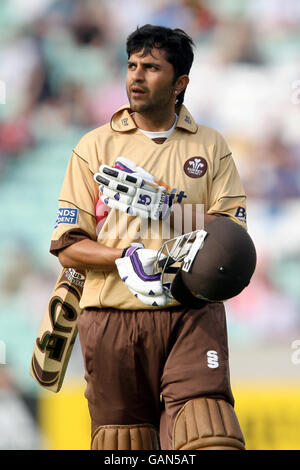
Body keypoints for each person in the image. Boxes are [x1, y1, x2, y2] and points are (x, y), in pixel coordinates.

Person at [50, 24, 247, 450]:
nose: (136, 76)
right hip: (112, 318)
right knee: (124, 447)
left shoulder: (211, 147)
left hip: (191, 313)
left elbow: (233, 243)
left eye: (151, 68)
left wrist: (167, 211)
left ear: (180, 84)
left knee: (210, 434)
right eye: (132, 65)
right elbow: (68, 246)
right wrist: (125, 257)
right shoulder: (94, 147)